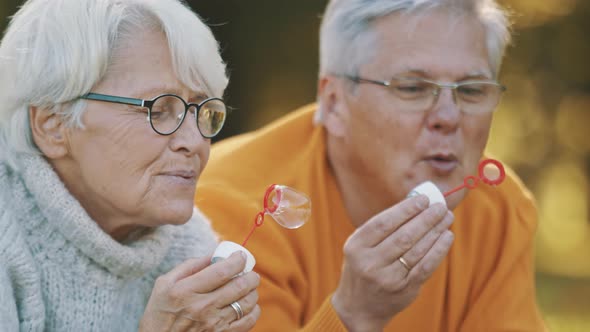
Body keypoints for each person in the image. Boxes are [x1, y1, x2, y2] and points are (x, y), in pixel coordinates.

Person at [196, 0, 547, 331]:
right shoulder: (231, 213)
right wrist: (353, 314)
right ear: (334, 104)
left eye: (471, 90)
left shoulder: (500, 208)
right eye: (413, 88)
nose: (449, 116)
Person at [0, 0, 260, 331]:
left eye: (202, 110)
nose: (195, 141)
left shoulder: (188, 246)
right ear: (53, 125)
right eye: (158, 109)